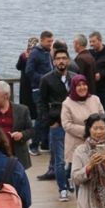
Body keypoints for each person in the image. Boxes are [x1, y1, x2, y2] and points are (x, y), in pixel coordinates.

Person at [38, 47, 77, 193]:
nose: (61, 61)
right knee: (59, 159)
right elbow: (41, 103)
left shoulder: (74, 77)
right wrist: (49, 121)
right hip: (57, 123)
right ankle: (62, 188)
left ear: (68, 60)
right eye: (58, 58)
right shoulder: (46, 79)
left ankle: (71, 180)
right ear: (54, 61)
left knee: (74, 157)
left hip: (74, 124)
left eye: (64, 58)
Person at [60, 74, 104, 202]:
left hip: (96, 145)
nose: (82, 87)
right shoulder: (67, 103)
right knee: (81, 177)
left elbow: (103, 117)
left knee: (98, 176)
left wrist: (98, 131)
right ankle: (82, 206)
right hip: (77, 146)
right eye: (78, 85)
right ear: (74, 87)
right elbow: (66, 124)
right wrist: (88, 131)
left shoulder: (95, 99)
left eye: (84, 84)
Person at [0, 81, 34, 169]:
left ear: (6, 95)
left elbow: (31, 130)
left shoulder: (22, 110)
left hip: (17, 156)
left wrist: (22, 135)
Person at [26, 31, 55, 154]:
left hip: (49, 90)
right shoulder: (35, 54)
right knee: (41, 117)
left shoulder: (47, 53)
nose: (51, 44)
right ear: (42, 40)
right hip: (38, 90)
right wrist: (44, 79)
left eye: (52, 41)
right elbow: (29, 71)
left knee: (48, 116)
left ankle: (45, 143)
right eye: (49, 41)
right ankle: (33, 145)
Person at [15, 36, 40, 153]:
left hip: (25, 84)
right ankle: (32, 133)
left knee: (26, 108)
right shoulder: (36, 56)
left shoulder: (24, 55)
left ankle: (27, 133)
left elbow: (18, 67)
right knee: (33, 110)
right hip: (32, 85)